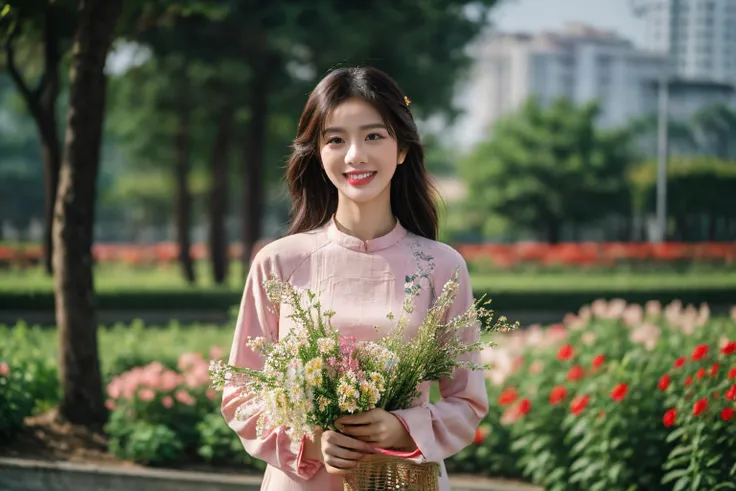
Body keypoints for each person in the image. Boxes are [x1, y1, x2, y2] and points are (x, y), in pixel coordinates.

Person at [221, 66, 488, 491]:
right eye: (336, 140)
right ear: (318, 153)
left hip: (403, 479)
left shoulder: (441, 266)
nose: (355, 156)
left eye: (373, 136)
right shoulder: (278, 263)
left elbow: (468, 401)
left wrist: (401, 427)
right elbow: (240, 393)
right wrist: (311, 443)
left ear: (402, 148)